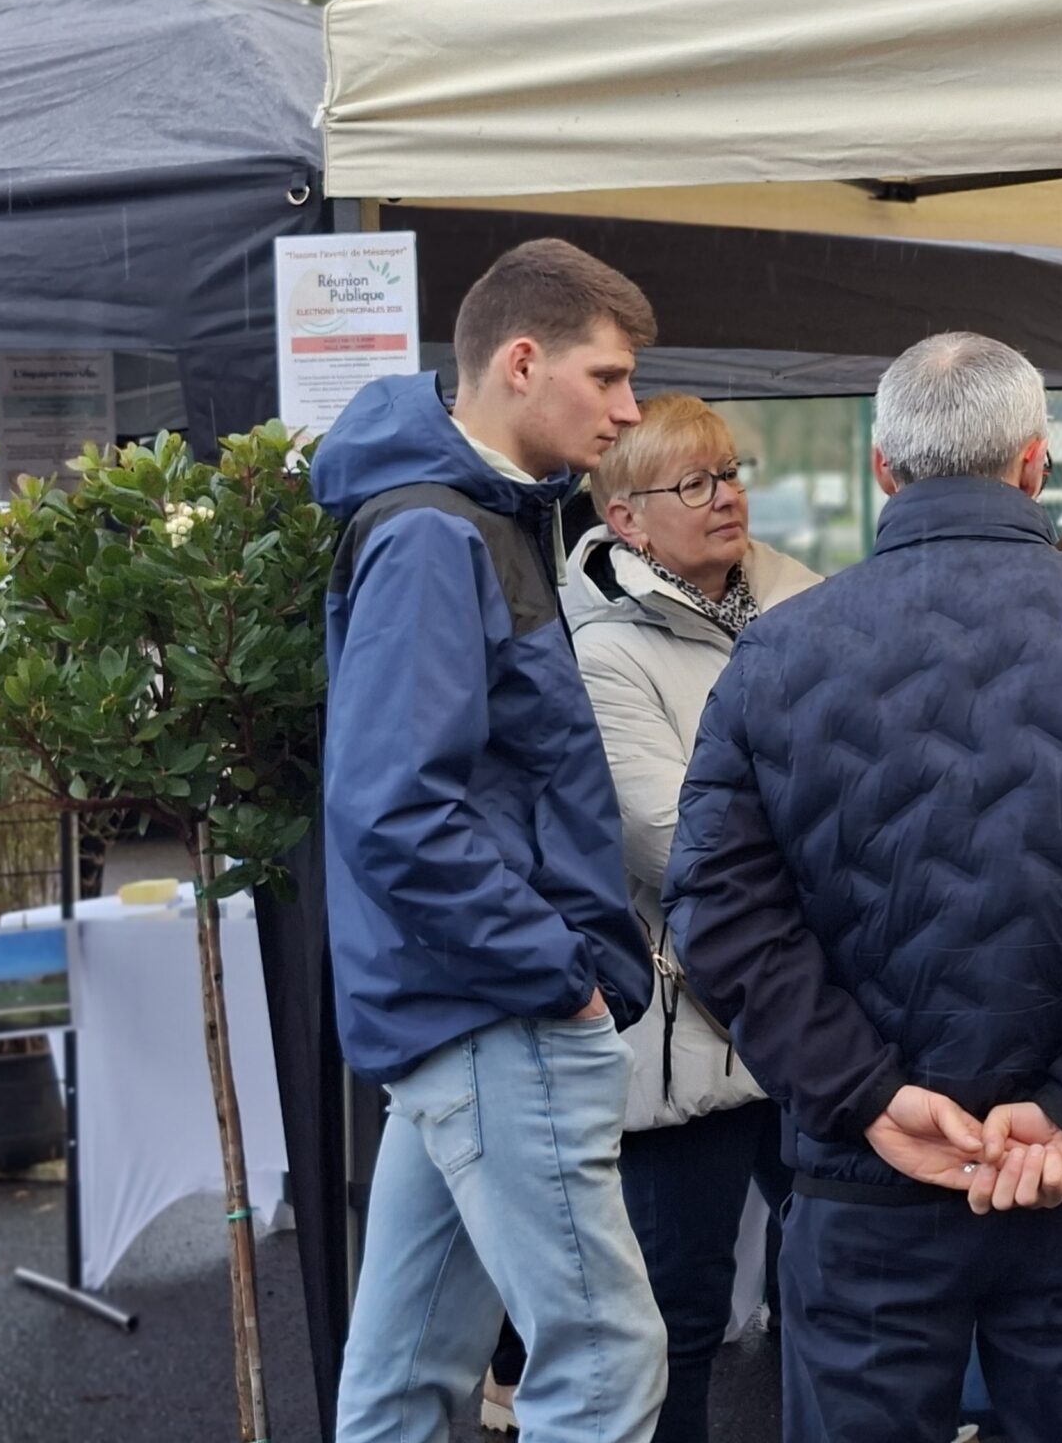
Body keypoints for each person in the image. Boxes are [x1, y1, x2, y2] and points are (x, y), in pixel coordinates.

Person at [663, 332, 1062, 1443]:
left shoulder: (779, 653)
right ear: (1035, 463)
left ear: (883, 468)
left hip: (868, 1176)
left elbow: (717, 911)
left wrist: (866, 1096)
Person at [315, 238, 667, 1443]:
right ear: (523, 363)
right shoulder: (439, 531)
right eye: (607, 376)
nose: (628, 409)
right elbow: (395, 811)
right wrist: (557, 974)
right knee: (605, 1367)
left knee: (409, 1377)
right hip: (497, 1005)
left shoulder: (478, 516)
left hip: (470, 1002)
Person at [560, 395, 820, 1443]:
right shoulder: (602, 653)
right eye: (694, 483)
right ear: (625, 520)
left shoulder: (810, 605)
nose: (727, 497)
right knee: (680, 1314)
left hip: (816, 1015)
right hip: (688, 1030)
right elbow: (676, 844)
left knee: (843, 1287)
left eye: (731, 471)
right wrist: (825, 832)